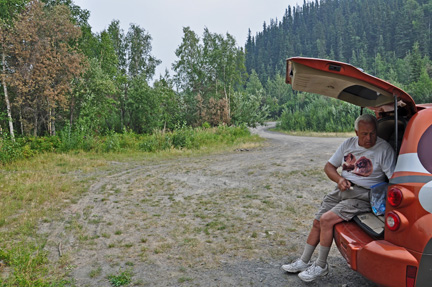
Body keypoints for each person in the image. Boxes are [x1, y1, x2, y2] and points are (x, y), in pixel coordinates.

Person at [282, 114, 396, 282]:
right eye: (364, 134)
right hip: (342, 189)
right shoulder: (348, 144)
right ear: (356, 132)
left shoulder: (383, 149)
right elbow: (328, 167)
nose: (369, 138)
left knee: (327, 220)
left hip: (364, 195)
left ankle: (321, 266)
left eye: (372, 133)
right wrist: (339, 179)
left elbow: (394, 179)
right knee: (317, 221)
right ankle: (304, 261)